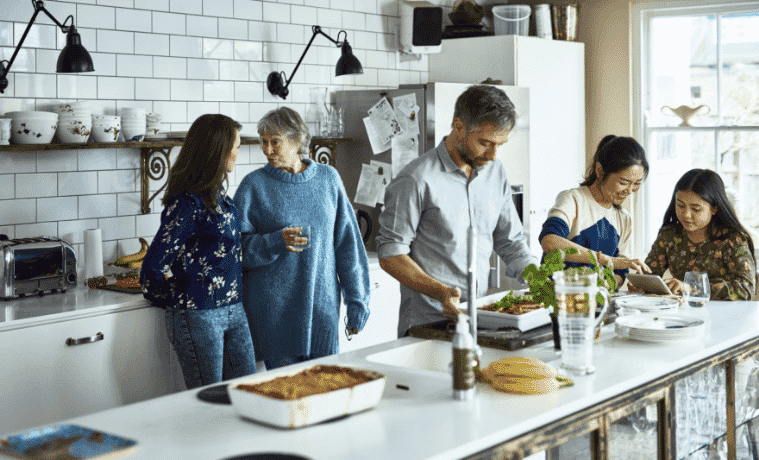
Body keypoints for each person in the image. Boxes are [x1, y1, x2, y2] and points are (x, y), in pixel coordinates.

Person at [376, 84, 538, 338]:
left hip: (481, 320)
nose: (494, 155)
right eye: (485, 143)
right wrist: (440, 292)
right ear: (459, 127)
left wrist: (540, 279)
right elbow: (391, 254)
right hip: (428, 324)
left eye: (500, 144)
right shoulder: (416, 179)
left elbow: (511, 242)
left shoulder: (495, 172)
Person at [234, 107, 370, 370]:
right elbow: (234, 250)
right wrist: (274, 241)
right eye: (264, 141)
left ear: (297, 141)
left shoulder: (329, 179)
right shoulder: (253, 186)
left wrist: (358, 301)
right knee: (288, 398)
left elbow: (348, 246)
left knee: (324, 394)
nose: (267, 150)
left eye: (275, 142)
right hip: (273, 316)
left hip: (323, 312)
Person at [140, 114, 256, 390]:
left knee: (248, 393)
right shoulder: (186, 204)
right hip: (198, 315)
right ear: (218, 150)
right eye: (235, 146)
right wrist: (177, 295)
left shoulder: (222, 201)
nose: (237, 153)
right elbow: (152, 268)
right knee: (209, 401)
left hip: (234, 309)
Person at [539, 135, 652, 284]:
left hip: (596, 301)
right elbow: (550, 241)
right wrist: (604, 259)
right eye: (624, 182)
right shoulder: (573, 199)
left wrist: (606, 285)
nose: (630, 190)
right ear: (600, 171)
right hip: (560, 297)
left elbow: (620, 271)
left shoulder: (624, 219)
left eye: (636, 183)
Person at [638, 168, 756, 299]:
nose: (686, 215)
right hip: (682, 312)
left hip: (725, 315)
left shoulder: (733, 239)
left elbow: (746, 289)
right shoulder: (670, 235)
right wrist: (641, 284)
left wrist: (691, 288)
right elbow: (649, 274)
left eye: (696, 209)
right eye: (681, 206)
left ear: (714, 208)